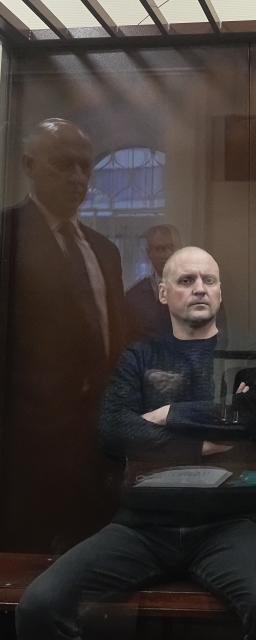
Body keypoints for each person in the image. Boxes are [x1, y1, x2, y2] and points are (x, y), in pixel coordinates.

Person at [16, 247, 256, 640]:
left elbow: (246, 421)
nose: (200, 289)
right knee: (40, 605)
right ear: (164, 293)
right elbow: (114, 431)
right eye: (186, 281)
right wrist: (199, 441)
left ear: (220, 293)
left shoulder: (252, 351)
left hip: (228, 526)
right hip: (142, 527)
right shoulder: (140, 355)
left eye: (210, 280)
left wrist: (167, 413)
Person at [0, 118, 127, 552]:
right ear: (29, 165)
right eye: (63, 164)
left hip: (98, 453)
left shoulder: (105, 251)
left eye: (85, 167)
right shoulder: (7, 236)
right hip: (25, 455)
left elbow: (116, 339)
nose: (77, 177)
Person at [125, 223, 181, 339]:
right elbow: (127, 340)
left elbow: (218, 335)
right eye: (160, 249)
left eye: (171, 248)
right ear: (148, 253)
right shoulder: (133, 296)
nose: (167, 254)